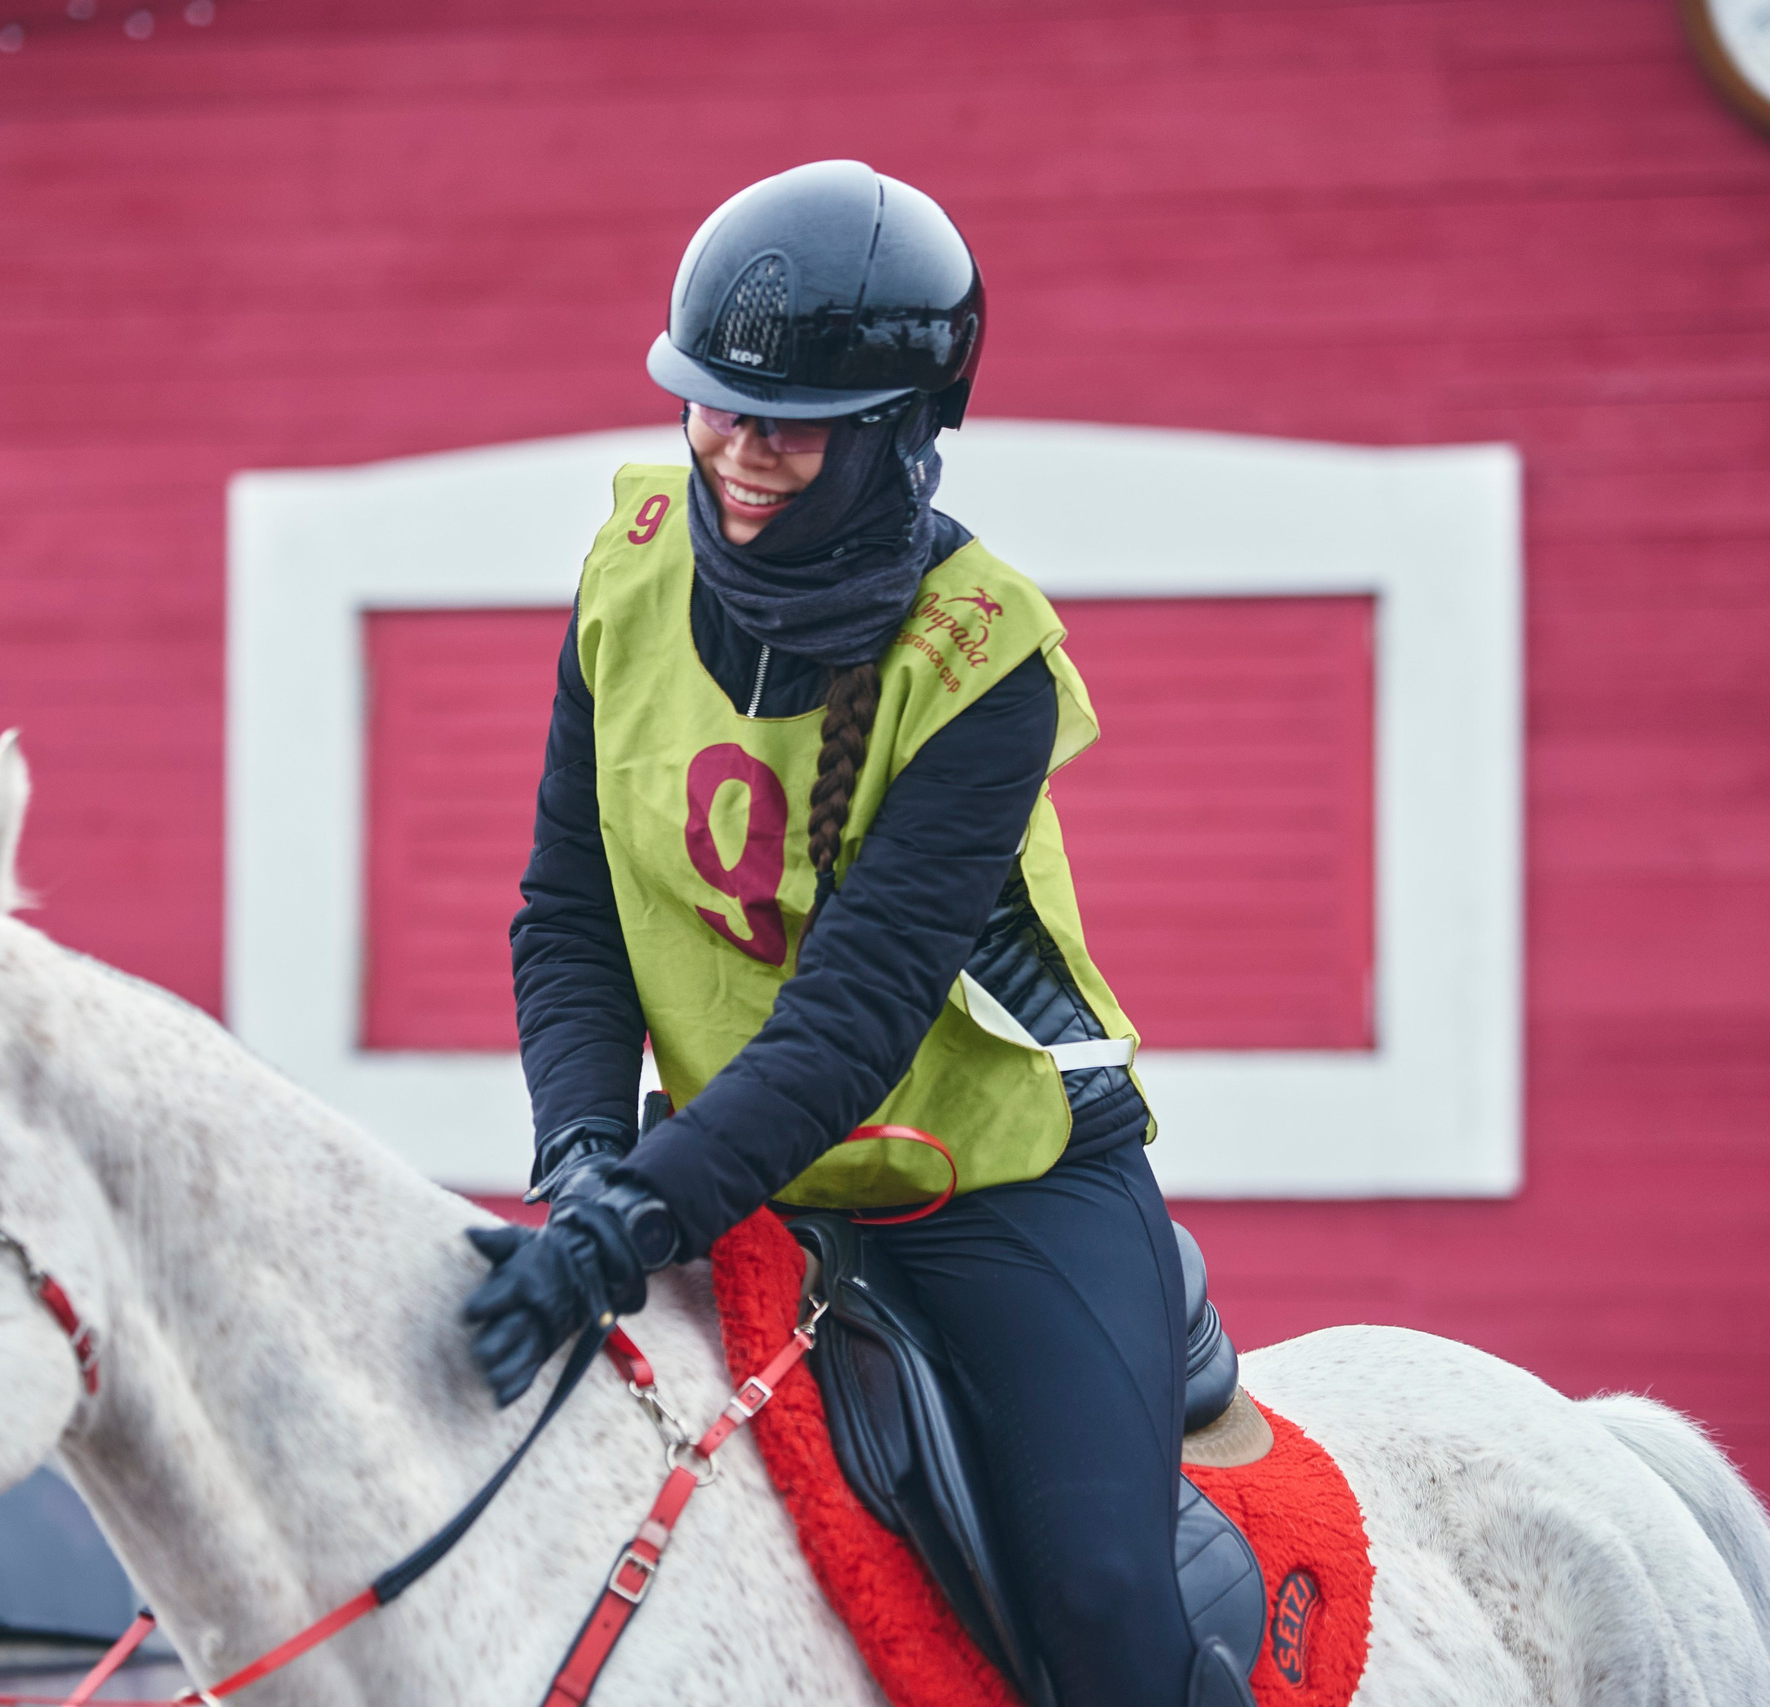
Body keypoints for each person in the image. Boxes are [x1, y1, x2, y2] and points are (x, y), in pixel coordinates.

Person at [462, 160, 1235, 1707]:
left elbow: (848, 1022)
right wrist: (578, 1163)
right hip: (723, 1184)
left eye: (789, 422)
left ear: (900, 435)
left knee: (1099, 1606)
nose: (734, 451)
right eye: (710, 404)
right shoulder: (625, 567)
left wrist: (629, 1224)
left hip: (996, 1191)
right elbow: (568, 917)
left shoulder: (989, 659)